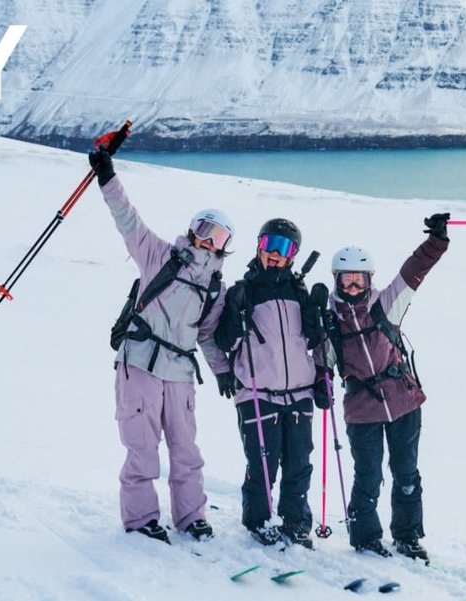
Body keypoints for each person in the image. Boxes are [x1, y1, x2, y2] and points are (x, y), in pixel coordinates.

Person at [89, 149, 234, 545]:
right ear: (192, 230)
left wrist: (221, 370)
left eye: (218, 237)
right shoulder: (158, 255)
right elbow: (127, 219)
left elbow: (205, 334)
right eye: (204, 230)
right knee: (142, 447)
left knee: (186, 451)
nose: (208, 241)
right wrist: (107, 176)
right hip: (140, 364)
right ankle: (140, 520)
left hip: (181, 376)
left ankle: (191, 517)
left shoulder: (215, 286)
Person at [320, 213, 451, 563]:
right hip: (362, 409)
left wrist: (435, 241)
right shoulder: (330, 319)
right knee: (368, 475)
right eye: (345, 280)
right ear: (336, 281)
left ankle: (407, 536)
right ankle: (365, 538)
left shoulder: (384, 305)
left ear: (368, 279)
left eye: (358, 280)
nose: (352, 287)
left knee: (406, 473)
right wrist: (321, 380)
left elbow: (413, 273)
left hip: (403, 401)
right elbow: (322, 360)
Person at [214, 218, 327, 548]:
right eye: (269, 245)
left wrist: (318, 314)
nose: (274, 254)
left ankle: (296, 522)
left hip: (299, 392)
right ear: (259, 247)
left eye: (284, 248)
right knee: (263, 463)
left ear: (293, 255)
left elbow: (315, 340)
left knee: (299, 463)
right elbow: (224, 341)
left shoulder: (298, 292)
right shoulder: (244, 291)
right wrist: (235, 316)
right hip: (257, 392)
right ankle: (258, 521)